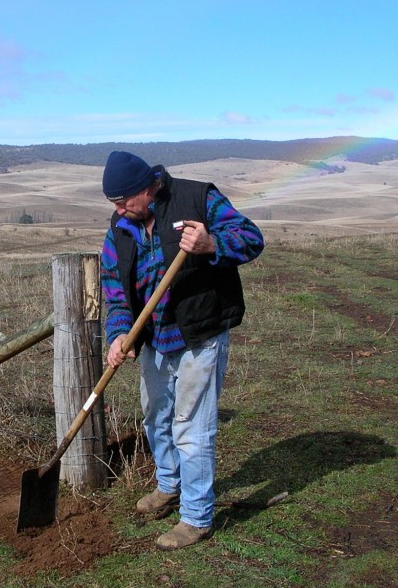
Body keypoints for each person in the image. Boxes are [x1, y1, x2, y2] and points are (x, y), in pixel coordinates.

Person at [99, 150, 264, 551]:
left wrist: (211, 243)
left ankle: (196, 518)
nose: (119, 210)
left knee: (191, 428)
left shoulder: (198, 199)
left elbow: (251, 239)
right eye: (114, 204)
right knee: (156, 418)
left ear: (146, 187)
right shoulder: (120, 229)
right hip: (154, 341)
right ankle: (169, 486)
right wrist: (120, 335)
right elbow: (115, 290)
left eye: (123, 201)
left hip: (198, 336)